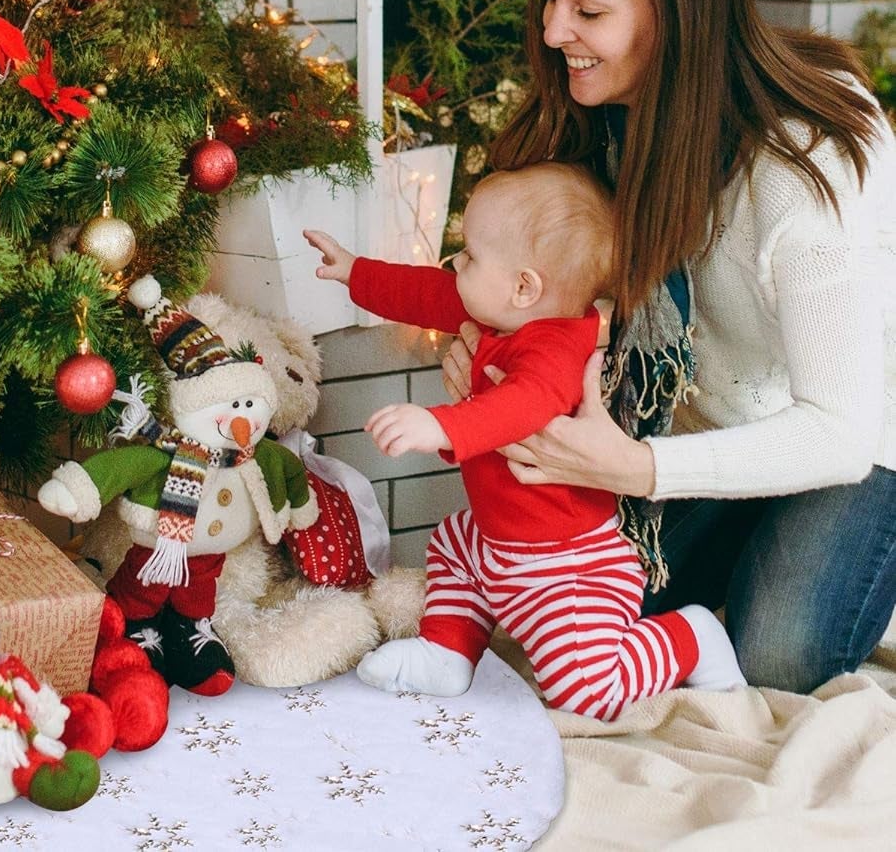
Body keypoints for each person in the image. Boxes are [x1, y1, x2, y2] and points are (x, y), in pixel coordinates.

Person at [438, 0, 896, 695]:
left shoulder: (808, 163)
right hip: (699, 423)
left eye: (588, 10)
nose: (550, 32)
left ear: (679, 15)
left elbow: (838, 428)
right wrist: (484, 342)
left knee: (778, 659)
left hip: (858, 439)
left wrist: (638, 472)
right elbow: (537, 286)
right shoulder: (599, 121)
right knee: (589, 618)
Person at [304, 164, 745, 721]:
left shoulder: (555, 351)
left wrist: (441, 425)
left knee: (584, 693)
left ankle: (691, 638)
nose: (455, 266)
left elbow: (521, 407)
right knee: (452, 548)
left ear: (523, 286)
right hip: (495, 541)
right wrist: (354, 272)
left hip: (567, 563)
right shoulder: (503, 317)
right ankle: (448, 651)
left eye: (469, 256)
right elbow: (425, 292)